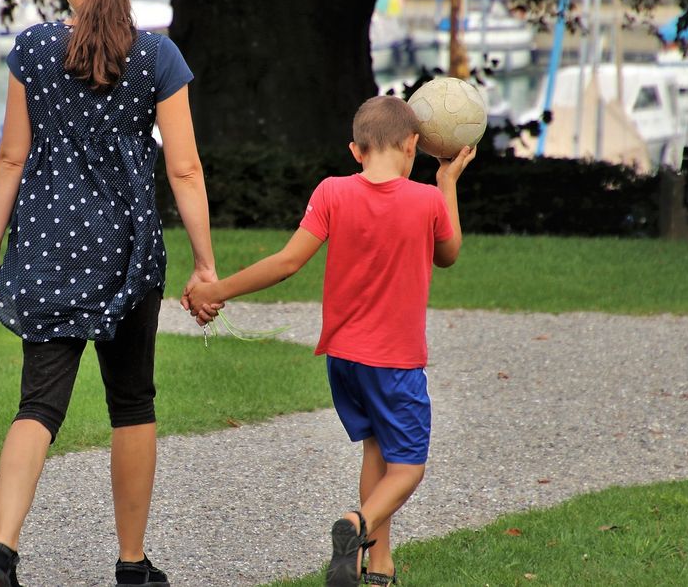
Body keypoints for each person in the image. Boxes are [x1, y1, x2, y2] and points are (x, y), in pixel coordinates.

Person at [0, 0, 216, 587]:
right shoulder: (158, 57)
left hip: (46, 249)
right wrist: (206, 264)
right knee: (131, 401)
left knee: (38, 405)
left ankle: (0, 552)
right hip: (128, 256)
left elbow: (11, 155)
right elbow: (185, 170)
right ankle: (132, 564)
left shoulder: (34, 48)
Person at [185, 96, 476, 587]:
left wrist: (216, 290)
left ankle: (378, 566)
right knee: (408, 470)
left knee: (376, 452)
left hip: (342, 359)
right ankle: (355, 526)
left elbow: (286, 263)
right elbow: (448, 255)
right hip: (396, 364)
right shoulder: (425, 201)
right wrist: (446, 185)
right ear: (412, 146)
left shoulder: (331, 192)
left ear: (355, 150)